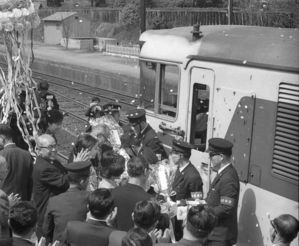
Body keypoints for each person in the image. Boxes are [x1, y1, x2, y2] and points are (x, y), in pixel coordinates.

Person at [43, 161, 91, 244]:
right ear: (82, 181)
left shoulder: (54, 200)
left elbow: (46, 230)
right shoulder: (90, 198)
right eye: (88, 180)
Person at [32, 134, 69, 239]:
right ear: (39, 150)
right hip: (46, 214)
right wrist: (76, 165)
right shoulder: (44, 168)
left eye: (55, 146)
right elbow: (63, 182)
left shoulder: (52, 161)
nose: (54, 149)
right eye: (49, 147)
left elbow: (65, 172)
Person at [206, 138, 240, 246]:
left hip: (220, 237)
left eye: (211, 155)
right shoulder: (223, 173)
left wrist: (205, 212)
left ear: (221, 157)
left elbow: (226, 208)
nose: (209, 158)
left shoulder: (228, 178)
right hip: (215, 233)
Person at [170, 139, 203, 241]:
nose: (171, 155)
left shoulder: (193, 176)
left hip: (183, 224)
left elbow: (196, 204)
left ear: (181, 155)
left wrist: (177, 207)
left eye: (173, 153)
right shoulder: (180, 169)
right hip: (174, 220)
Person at [112, 157, 152, 231]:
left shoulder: (113, 192)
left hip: (116, 238)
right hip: (137, 240)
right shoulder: (148, 200)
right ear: (146, 171)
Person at [0, 124, 33, 201]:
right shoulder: (27, 154)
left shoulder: (1, 155)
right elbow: (30, 183)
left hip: (4, 203)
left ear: (2, 138)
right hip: (22, 201)